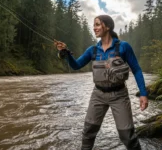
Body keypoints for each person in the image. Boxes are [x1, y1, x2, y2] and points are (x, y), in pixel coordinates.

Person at [54, 15, 148, 150]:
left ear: (107, 27)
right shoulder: (92, 50)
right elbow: (76, 65)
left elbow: (137, 70)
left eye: (97, 24)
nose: (94, 28)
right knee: (88, 132)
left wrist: (143, 94)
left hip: (119, 95)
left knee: (127, 135)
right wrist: (66, 53)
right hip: (98, 94)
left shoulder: (123, 47)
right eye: (94, 25)